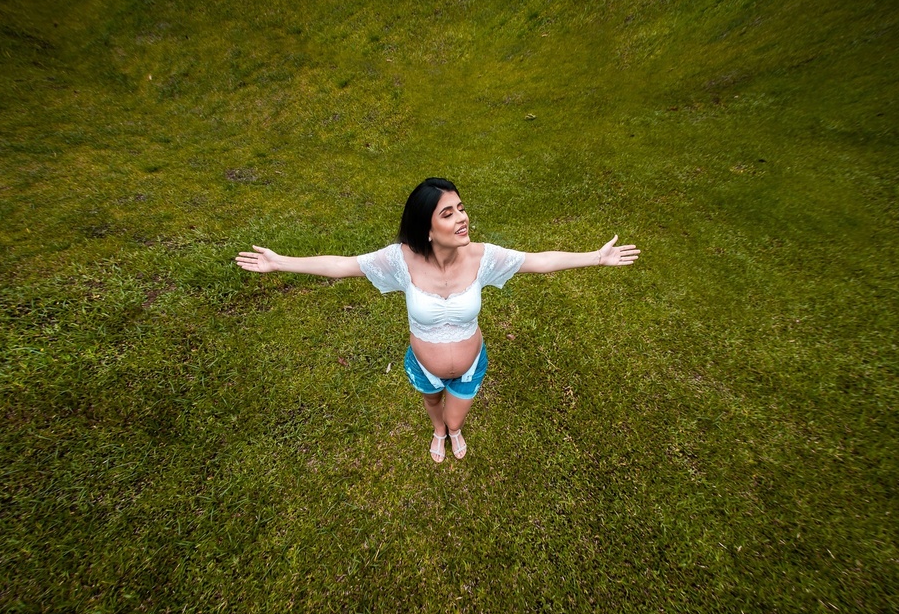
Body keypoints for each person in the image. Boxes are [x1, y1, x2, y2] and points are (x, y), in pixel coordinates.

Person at [235, 177, 639, 463]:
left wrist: (595, 257)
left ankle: (453, 428)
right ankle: (438, 432)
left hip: (469, 367)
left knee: (455, 413)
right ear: (427, 228)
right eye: (448, 213)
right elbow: (340, 266)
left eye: (461, 208)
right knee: (432, 403)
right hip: (423, 366)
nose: (462, 217)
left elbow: (540, 261)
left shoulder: (483, 257)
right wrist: (280, 263)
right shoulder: (399, 260)